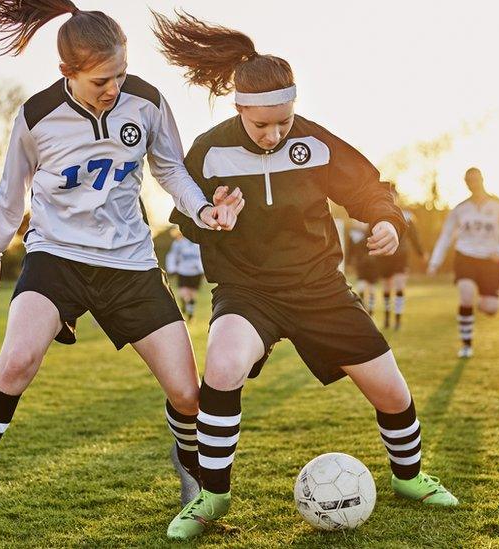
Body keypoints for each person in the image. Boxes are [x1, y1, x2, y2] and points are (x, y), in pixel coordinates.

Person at [0, 2, 244, 548]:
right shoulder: (36, 115)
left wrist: (203, 211)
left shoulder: (147, 102)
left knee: (187, 396)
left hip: (130, 264)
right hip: (57, 258)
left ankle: (192, 478)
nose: (115, 87)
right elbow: (11, 196)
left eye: (121, 73)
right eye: (103, 79)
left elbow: (170, 168)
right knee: (15, 364)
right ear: (67, 74)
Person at [152, 10, 459, 541]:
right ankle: (213, 494)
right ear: (240, 108)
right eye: (261, 124)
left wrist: (387, 221)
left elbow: (369, 189)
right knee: (222, 367)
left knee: (391, 392)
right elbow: (185, 216)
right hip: (248, 291)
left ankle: (410, 478)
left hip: (319, 290)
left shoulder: (315, 143)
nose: (273, 134)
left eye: (283, 121)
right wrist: (213, 218)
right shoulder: (210, 149)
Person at [427, 167, 499, 358]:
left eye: (475, 179)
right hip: (465, 256)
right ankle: (466, 345)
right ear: (465, 183)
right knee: (466, 295)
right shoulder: (460, 209)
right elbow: (446, 236)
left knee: (491, 308)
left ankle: (478, 302)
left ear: (482, 179)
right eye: (468, 180)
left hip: (491, 259)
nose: (473, 183)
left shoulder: (498, 205)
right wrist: (435, 262)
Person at [376, 183, 426, 330]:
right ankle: (386, 318)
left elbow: (414, 238)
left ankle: (397, 320)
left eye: (393, 195)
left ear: (397, 197)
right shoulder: (378, 216)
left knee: (399, 286)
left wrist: (421, 253)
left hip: (401, 257)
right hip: (384, 257)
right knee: (386, 288)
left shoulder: (408, 216)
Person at [165, 228, 205, 320]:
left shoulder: (198, 243)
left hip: (195, 272)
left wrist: (202, 270)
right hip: (183, 271)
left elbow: (202, 257)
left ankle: (190, 314)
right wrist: (172, 268)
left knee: (192, 294)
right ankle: (184, 303)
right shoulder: (178, 243)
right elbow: (172, 256)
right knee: (184, 293)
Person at [347, 220, 380, 316]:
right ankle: (364, 308)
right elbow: (350, 250)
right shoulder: (353, 235)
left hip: (372, 264)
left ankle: (371, 310)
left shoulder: (370, 233)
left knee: (371, 287)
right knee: (361, 286)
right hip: (360, 264)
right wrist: (349, 262)